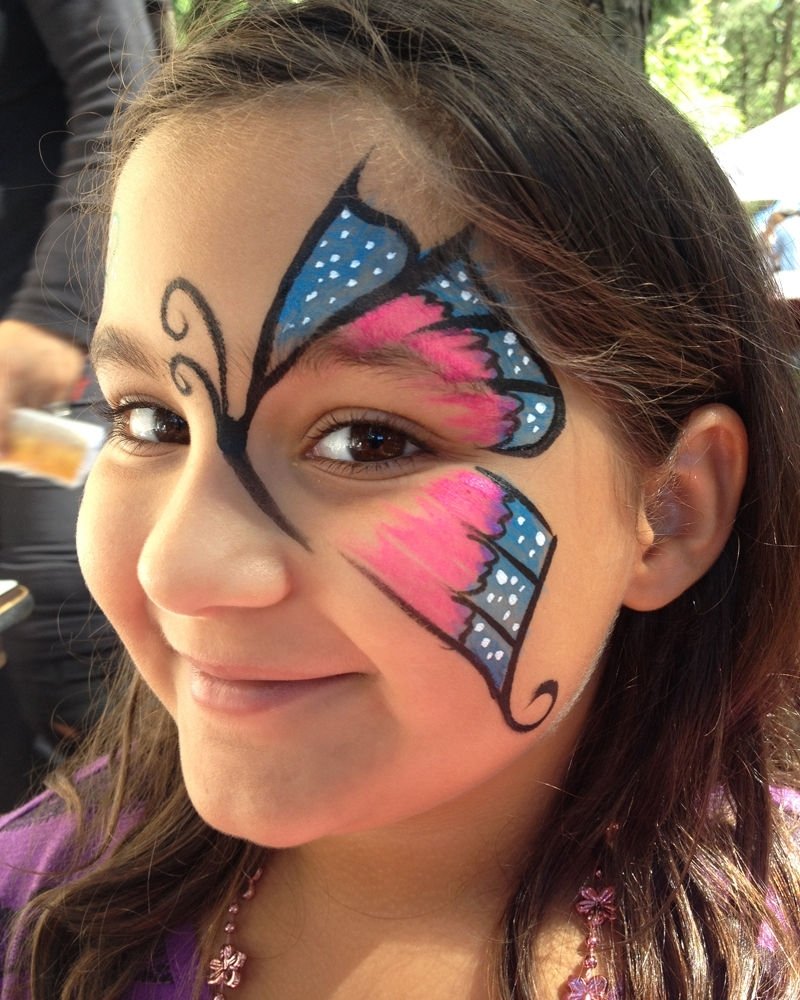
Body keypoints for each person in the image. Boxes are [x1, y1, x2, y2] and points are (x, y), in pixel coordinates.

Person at [2, 1, 800, 997]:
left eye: (368, 441)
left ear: (668, 513)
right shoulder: (33, 913)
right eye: (150, 420)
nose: (179, 566)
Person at [0, 0, 157, 810]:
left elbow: (122, 89)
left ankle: (139, 838)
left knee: (54, 604)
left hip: (42, 384)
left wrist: (54, 314)